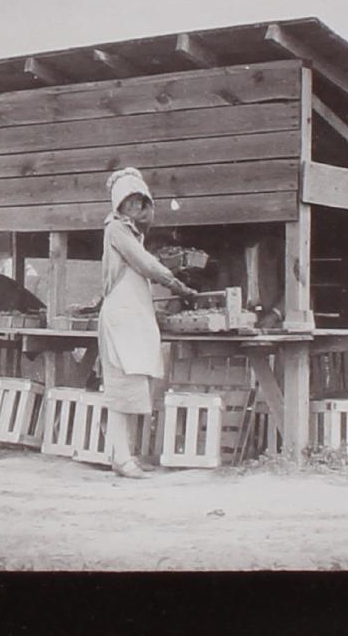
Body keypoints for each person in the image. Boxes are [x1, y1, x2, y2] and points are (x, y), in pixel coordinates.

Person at [99, 167, 196, 478]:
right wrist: (177, 284)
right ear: (118, 204)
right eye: (128, 202)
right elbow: (145, 265)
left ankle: (123, 455)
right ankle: (121, 458)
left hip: (133, 318)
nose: (134, 207)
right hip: (121, 317)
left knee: (132, 386)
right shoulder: (115, 230)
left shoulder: (133, 233)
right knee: (120, 386)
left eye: (139, 202)